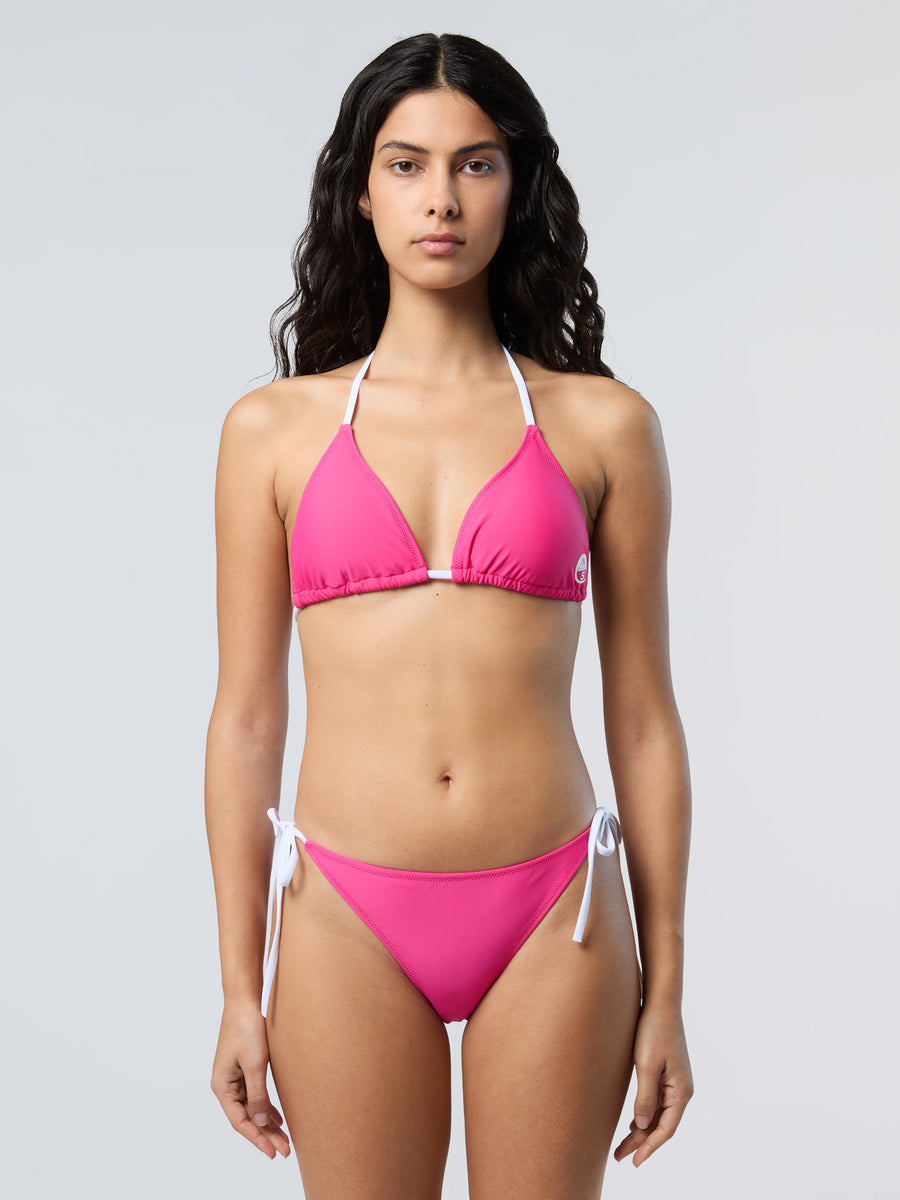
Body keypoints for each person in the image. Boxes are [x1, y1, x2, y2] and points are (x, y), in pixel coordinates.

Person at [206, 31, 693, 1199]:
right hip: (344, 911)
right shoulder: (271, 432)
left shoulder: (605, 425)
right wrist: (236, 989)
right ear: (360, 190)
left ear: (517, 187)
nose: (442, 198)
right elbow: (247, 719)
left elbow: (643, 720)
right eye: (407, 163)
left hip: (556, 909)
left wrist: (669, 989)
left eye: (476, 164)